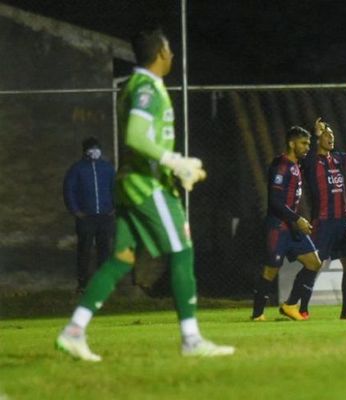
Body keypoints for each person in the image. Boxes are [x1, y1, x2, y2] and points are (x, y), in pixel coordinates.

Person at [56, 28, 234, 361]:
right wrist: (173, 161)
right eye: (170, 50)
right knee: (182, 252)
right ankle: (191, 339)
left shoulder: (137, 87)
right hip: (147, 187)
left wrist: (173, 165)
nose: (173, 56)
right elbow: (136, 136)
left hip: (133, 184)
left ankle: (74, 330)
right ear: (161, 53)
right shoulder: (146, 89)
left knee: (122, 258)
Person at [299, 115, 346, 319]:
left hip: (343, 221)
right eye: (327, 135)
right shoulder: (311, 160)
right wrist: (315, 134)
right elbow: (307, 156)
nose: (331, 138)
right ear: (319, 138)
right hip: (323, 222)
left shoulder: (338, 158)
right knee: (314, 264)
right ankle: (302, 308)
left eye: (332, 135)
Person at [251, 126, 323, 321]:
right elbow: (275, 201)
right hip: (278, 227)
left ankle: (290, 304)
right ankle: (257, 314)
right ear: (292, 143)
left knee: (314, 262)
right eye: (303, 143)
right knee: (271, 269)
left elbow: (310, 160)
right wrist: (297, 219)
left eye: (308, 143)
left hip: (291, 226)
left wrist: (316, 136)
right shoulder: (282, 166)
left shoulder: (295, 164)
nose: (307, 147)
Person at [63, 137, 116, 293]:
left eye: (97, 148)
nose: (95, 151)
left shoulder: (107, 168)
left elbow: (116, 188)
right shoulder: (77, 169)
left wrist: (114, 207)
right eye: (91, 148)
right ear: (85, 151)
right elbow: (69, 191)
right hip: (86, 218)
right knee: (84, 250)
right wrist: (76, 211)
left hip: (105, 217)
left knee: (104, 251)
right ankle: (82, 284)